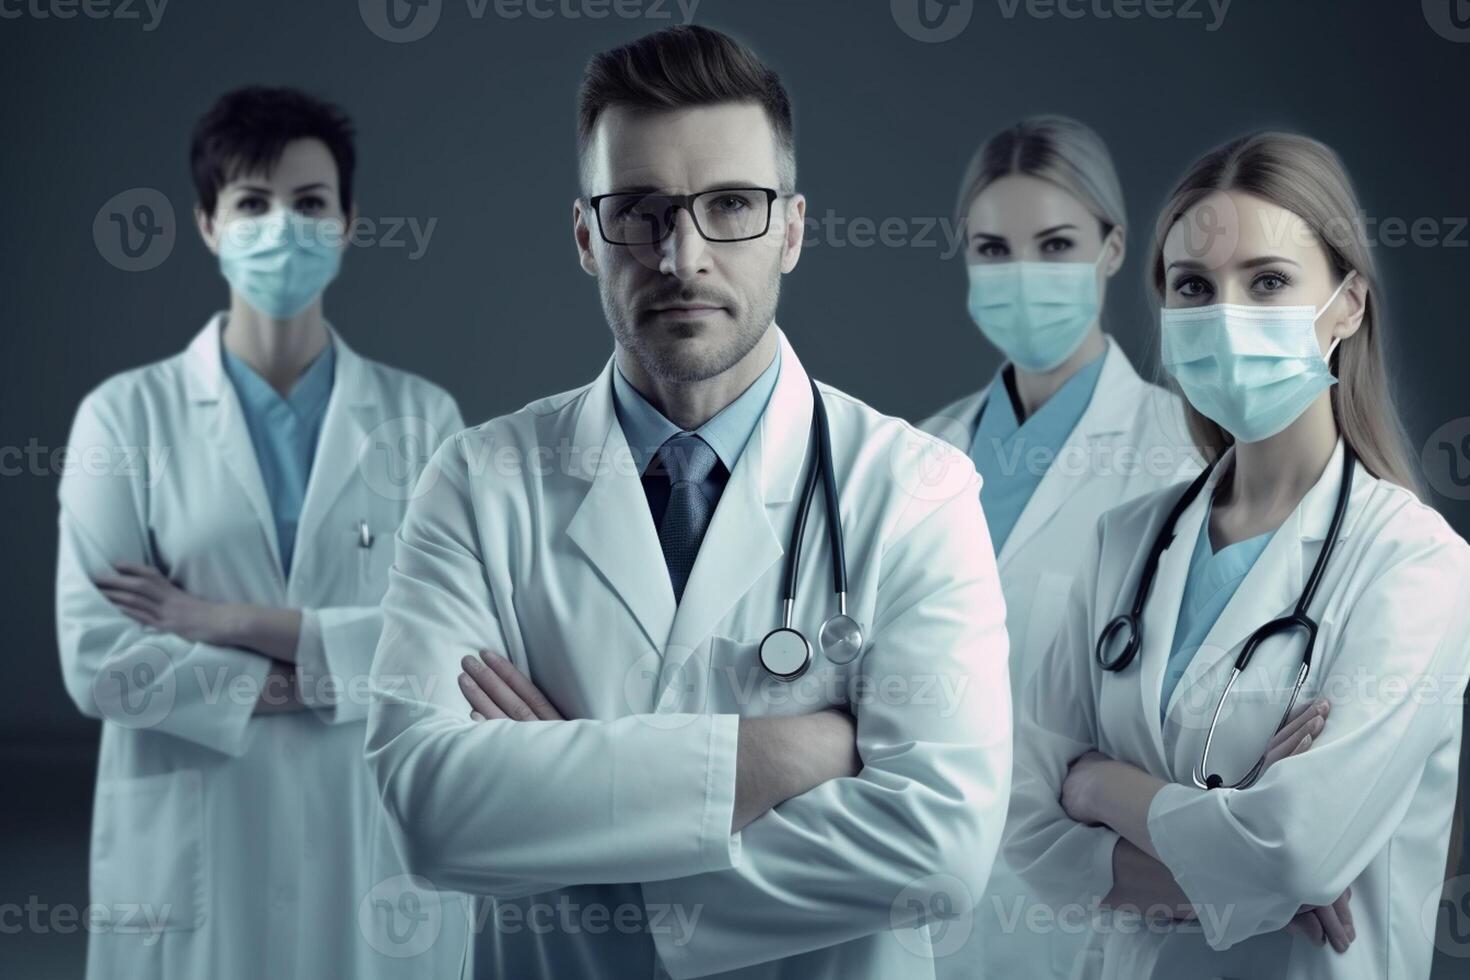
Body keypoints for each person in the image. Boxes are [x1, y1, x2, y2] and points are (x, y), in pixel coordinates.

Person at [365, 25, 1012, 980]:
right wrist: (785, 757)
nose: (683, 254)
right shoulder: (477, 480)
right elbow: (428, 809)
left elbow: (937, 852)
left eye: (731, 206)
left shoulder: (916, 488)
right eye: (639, 210)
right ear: (587, 237)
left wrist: (579, 818)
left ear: (791, 229)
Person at [1003, 130, 1470, 980]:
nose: (1226, 314)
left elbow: (1297, 852)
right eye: (1194, 287)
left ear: (1349, 306)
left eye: (1268, 282)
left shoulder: (1414, 564)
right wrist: (1232, 869)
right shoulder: (1125, 543)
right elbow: (1023, 819)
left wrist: (1101, 787)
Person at [55, 86, 467, 979]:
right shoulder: (125, 417)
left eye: (310, 203)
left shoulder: (421, 420)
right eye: (252, 203)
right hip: (194, 847)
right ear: (207, 223)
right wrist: (323, 675)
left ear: (349, 222)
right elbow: (98, 658)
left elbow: (447, 648)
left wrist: (220, 622)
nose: (283, 226)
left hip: (368, 840)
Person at [919, 114, 1200, 980]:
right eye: (994, 251)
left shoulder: (1183, 453)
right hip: (922, 898)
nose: (1024, 277)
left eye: (1057, 244)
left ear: (1114, 250)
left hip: (1096, 908)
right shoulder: (920, 459)